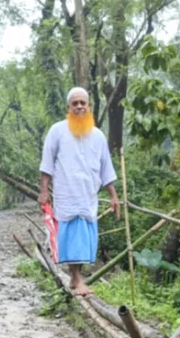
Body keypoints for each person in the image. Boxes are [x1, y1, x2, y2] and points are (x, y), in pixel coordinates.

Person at [39, 86, 120, 296]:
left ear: (89, 106)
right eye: (75, 103)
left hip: (88, 195)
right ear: (68, 107)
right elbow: (47, 163)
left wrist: (114, 196)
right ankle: (76, 277)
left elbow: (106, 169)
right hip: (67, 193)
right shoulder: (57, 131)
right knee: (71, 236)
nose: (79, 106)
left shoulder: (98, 136)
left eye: (83, 103)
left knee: (85, 238)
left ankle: (77, 278)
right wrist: (44, 191)